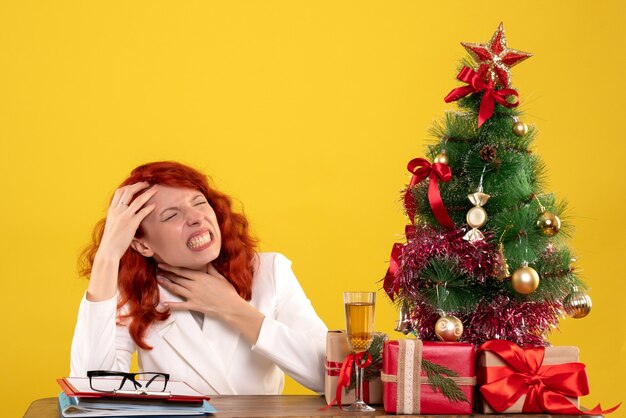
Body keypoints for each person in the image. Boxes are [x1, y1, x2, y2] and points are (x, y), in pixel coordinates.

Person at [70, 161, 328, 395]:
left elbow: (331, 377)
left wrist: (233, 308)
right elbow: (93, 390)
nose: (196, 218)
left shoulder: (270, 271)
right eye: (171, 215)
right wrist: (108, 256)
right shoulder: (134, 291)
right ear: (142, 245)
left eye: (199, 202)